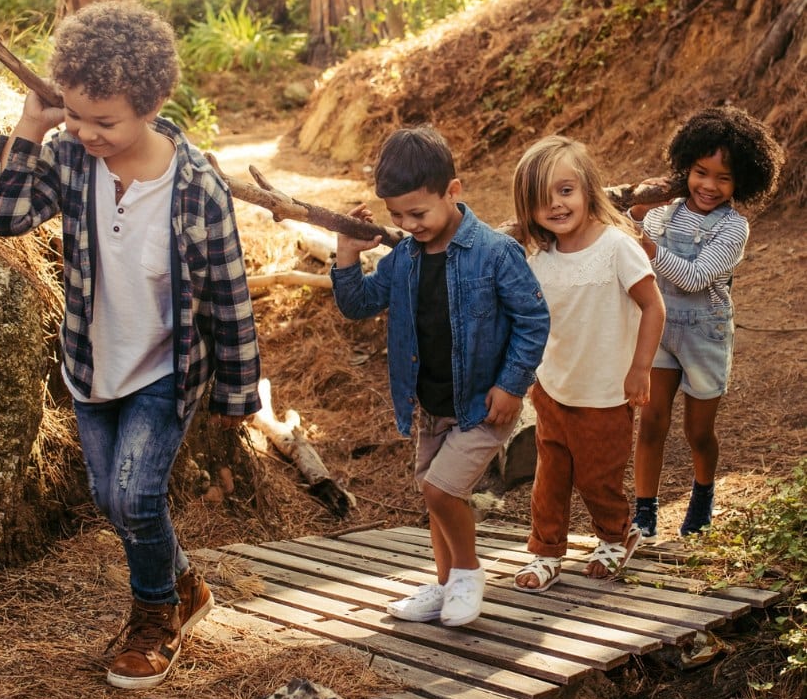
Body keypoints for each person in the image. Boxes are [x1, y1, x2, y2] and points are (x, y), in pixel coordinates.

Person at [0, 0, 261, 690]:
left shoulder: (197, 188)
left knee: (135, 497)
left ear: (152, 103)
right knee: (113, 499)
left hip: (166, 371)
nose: (87, 132)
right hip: (92, 363)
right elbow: (1, 215)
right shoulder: (73, 161)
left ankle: (154, 618)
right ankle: (186, 583)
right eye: (76, 115)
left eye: (104, 121)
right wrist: (32, 128)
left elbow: (228, 295)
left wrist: (237, 391)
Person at [331, 125, 550, 627]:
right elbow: (358, 303)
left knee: (440, 491)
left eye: (418, 213)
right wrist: (347, 253)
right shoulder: (403, 259)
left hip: (483, 404)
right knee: (435, 496)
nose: (408, 225)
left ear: (453, 191)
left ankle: (469, 573)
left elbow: (533, 319)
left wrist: (513, 384)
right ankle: (446, 582)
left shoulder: (495, 253)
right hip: (431, 408)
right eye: (397, 217)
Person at [511, 134, 665, 592]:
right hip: (554, 388)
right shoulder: (539, 260)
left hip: (605, 391)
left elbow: (654, 307)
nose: (556, 205)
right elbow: (533, 324)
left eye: (565, 190)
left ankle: (617, 534)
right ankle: (545, 551)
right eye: (542, 199)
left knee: (598, 477)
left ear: (587, 189)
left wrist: (641, 368)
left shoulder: (616, 247)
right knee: (550, 476)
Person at [629, 106, 784, 538]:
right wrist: (638, 209)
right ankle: (645, 510)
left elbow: (695, 277)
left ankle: (702, 493)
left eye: (724, 177)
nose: (709, 186)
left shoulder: (734, 228)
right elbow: (627, 233)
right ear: (685, 168)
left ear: (742, 182)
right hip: (658, 325)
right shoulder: (663, 212)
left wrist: (645, 241)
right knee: (651, 421)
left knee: (698, 431)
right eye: (701, 172)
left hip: (705, 333)